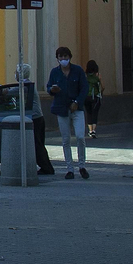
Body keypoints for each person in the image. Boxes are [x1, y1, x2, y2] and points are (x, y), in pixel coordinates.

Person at [47, 46, 89, 179]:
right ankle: (69, 169)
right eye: (61, 57)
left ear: (69, 57)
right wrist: (52, 90)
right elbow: (49, 86)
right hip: (61, 108)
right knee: (65, 139)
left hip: (77, 109)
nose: (63, 59)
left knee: (80, 136)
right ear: (57, 59)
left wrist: (77, 102)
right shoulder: (55, 72)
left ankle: (81, 166)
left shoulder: (78, 71)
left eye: (65, 56)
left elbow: (84, 87)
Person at [84, 60, 104, 139]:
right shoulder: (97, 76)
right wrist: (101, 92)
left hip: (86, 97)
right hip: (95, 97)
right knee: (95, 113)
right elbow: (103, 86)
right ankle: (94, 131)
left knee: (89, 113)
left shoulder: (85, 76)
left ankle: (90, 131)